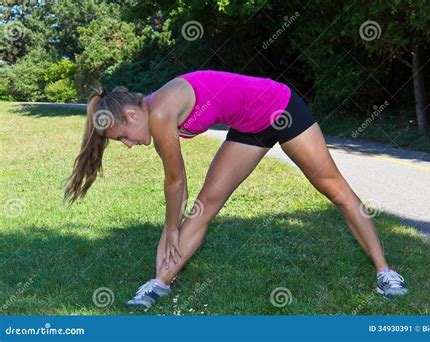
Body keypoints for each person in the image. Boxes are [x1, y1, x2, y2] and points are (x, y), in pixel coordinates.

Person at [63, 69, 407, 309]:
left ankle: (385, 272)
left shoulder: (160, 113)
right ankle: (159, 284)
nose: (126, 144)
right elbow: (179, 190)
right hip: (249, 128)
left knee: (336, 190)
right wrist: (169, 228)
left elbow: (176, 181)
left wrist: (170, 229)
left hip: (280, 108)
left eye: (122, 136)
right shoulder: (151, 110)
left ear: (131, 114)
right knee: (206, 205)